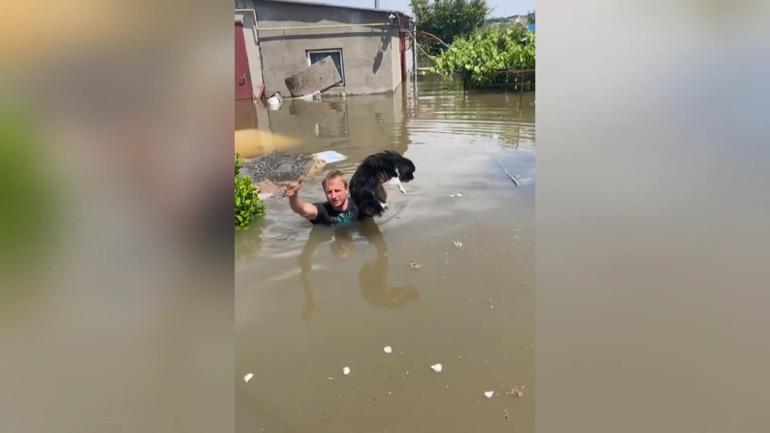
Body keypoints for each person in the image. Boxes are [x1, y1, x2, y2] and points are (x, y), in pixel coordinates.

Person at [283, 170, 360, 226]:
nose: (333, 196)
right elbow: (302, 209)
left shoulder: (359, 205)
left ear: (346, 189)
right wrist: (294, 196)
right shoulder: (323, 211)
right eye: (329, 192)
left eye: (337, 191)